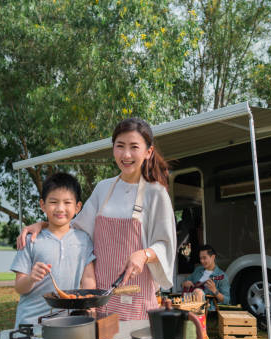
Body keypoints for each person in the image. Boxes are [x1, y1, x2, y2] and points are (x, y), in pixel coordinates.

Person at [18, 118, 176, 320]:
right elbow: (75, 228)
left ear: (148, 152)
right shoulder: (104, 188)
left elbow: (166, 243)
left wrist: (144, 254)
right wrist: (43, 224)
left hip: (135, 296)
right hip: (99, 298)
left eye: (134, 147)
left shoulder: (156, 193)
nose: (126, 154)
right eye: (120, 146)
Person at [11, 172, 96, 327]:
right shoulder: (30, 240)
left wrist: (90, 306)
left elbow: (88, 279)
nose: (60, 208)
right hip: (30, 324)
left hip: (67, 323)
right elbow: (19, 287)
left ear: (78, 207)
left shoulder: (84, 240)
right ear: (42, 205)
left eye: (67, 202)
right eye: (53, 202)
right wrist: (31, 278)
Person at [182, 245, 230, 310]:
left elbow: (227, 300)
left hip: (207, 308)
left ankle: (198, 315)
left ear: (213, 257)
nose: (201, 261)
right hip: (189, 301)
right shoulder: (198, 270)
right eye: (200, 258)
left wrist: (215, 290)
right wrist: (185, 283)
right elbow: (183, 283)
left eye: (204, 258)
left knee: (198, 292)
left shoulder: (222, 276)